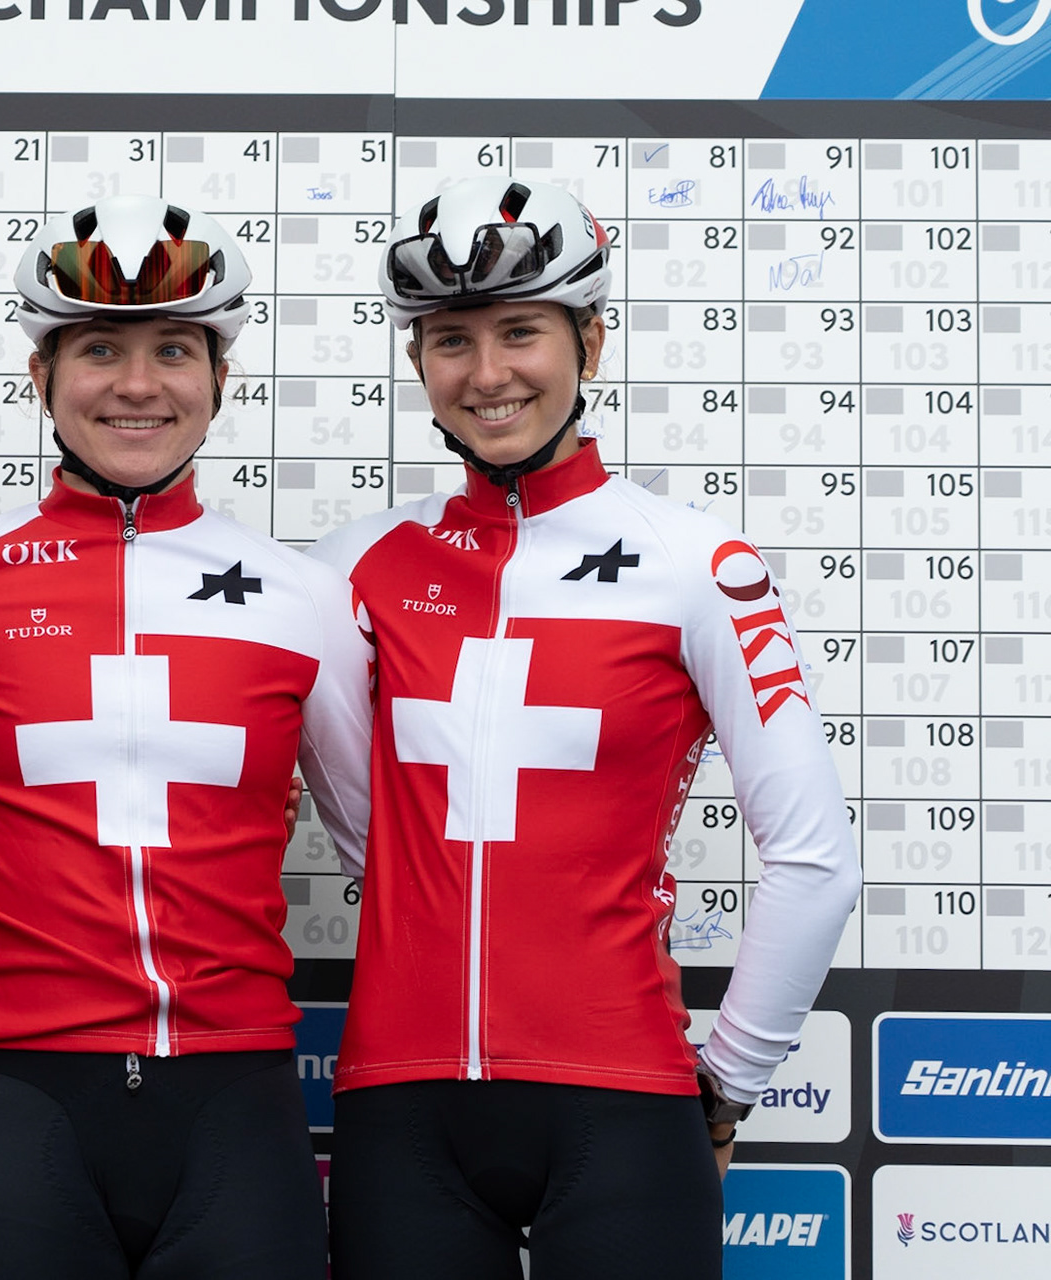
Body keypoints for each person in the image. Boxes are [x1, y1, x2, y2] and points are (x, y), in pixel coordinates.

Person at [310, 175, 863, 1278]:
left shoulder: (701, 564)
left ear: (591, 342)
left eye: (521, 331)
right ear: (419, 362)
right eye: (451, 340)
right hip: (400, 1106)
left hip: (624, 1104)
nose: (487, 372)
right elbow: (377, 838)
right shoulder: (351, 568)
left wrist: (728, 1085)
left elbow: (816, 858)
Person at [0, 195, 373, 1280]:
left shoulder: (305, 596)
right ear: (40, 376)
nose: (138, 385)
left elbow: (379, 845)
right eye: (99, 350)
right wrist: (22, 854)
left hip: (236, 1096)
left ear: (220, 379)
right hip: (18, 1098)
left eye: (174, 351)